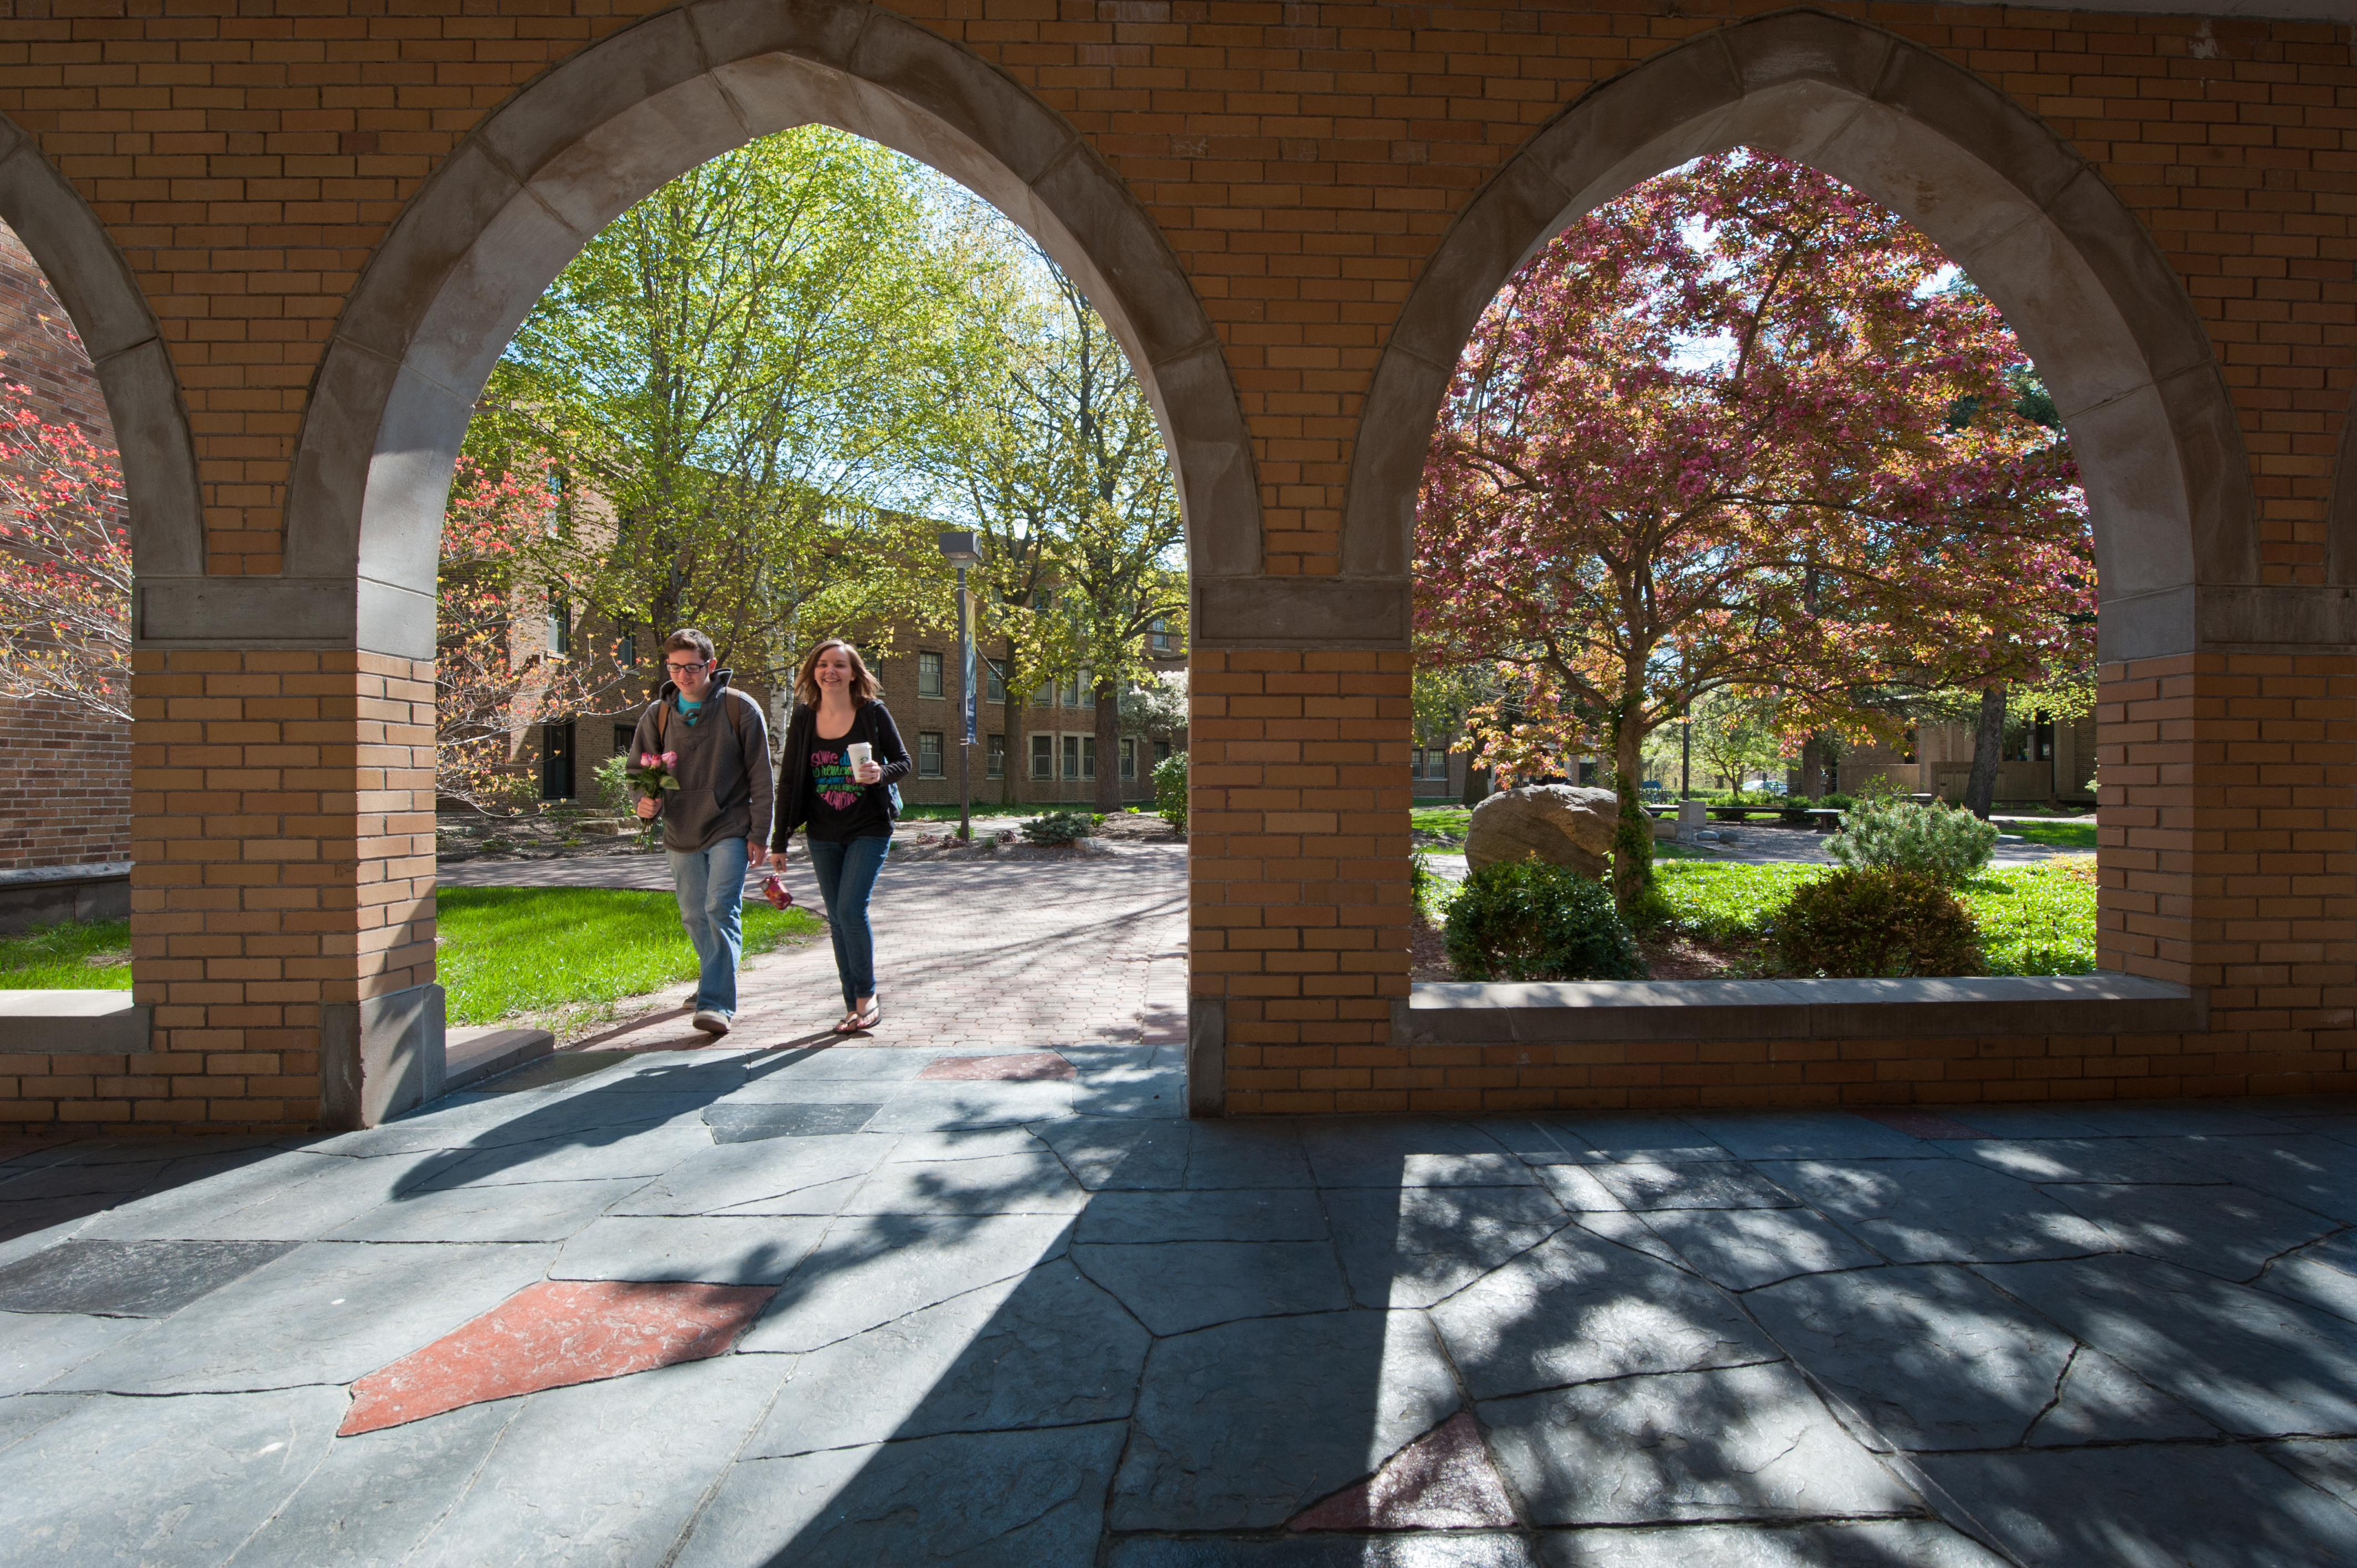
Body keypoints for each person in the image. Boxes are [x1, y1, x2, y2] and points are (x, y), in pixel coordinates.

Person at [629, 629, 772, 1038]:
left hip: (729, 824)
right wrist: (644, 800)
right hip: (680, 828)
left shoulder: (738, 708)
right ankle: (716, 979)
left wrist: (760, 832)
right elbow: (643, 770)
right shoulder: (657, 714)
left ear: (709, 665)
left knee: (719, 909)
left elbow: (761, 777)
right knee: (693, 914)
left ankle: (715, 1003)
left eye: (691, 667)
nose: (682, 675)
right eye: (674, 667)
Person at [768, 638, 909, 1034]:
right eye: (823, 664)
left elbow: (904, 761)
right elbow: (792, 780)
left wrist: (881, 773)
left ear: (854, 673)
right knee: (836, 919)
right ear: (813, 671)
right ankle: (852, 1005)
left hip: (869, 827)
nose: (830, 671)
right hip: (823, 832)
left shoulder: (873, 713)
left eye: (840, 665)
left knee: (850, 910)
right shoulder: (803, 717)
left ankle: (867, 997)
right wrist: (779, 841)